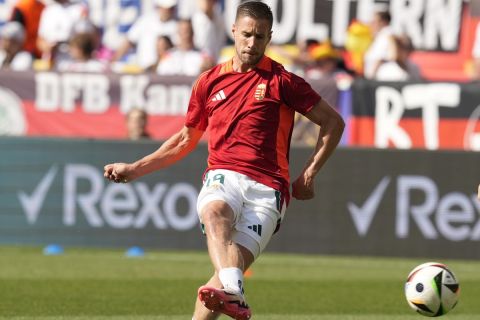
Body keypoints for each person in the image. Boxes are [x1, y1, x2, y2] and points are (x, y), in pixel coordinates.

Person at [103, 2, 344, 319]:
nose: (251, 43)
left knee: (224, 278)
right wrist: (134, 169)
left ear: (269, 37)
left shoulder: (283, 82)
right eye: (246, 34)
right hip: (223, 176)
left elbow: (333, 122)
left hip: (268, 189)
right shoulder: (209, 82)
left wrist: (310, 172)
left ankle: (233, 294)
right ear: (233, 31)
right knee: (215, 212)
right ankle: (236, 294)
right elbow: (184, 140)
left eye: (259, 37)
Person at [111, 0, 178, 71]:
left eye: (171, 8)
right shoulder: (146, 20)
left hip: (165, 72)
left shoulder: (176, 26)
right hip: (143, 70)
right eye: (166, 8)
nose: (168, 11)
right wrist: (113, 61)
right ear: (159, 7)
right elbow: (129, 41)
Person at [363, 9, 393, 79]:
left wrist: (370, 79)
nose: (371, 24)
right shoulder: (381, 35)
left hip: (378, 79)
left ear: (384, 22)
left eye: (374, 21)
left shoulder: (386, 35)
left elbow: (380, 58)